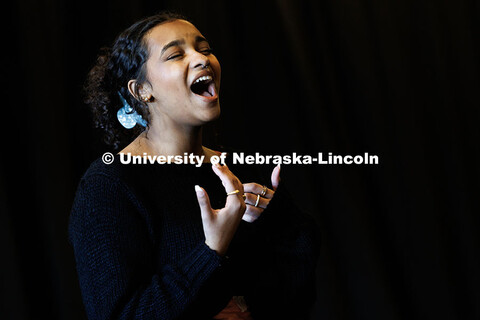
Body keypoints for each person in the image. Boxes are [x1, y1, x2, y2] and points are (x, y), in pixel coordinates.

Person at [69, 11, 320, 320]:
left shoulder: (240, 172)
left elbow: (297, 297)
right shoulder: (109, 186)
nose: (202, 59)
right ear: (141, 90)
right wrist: (211, 250)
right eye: (176, 54)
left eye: (204, 49)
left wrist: (282, 222)